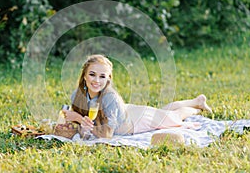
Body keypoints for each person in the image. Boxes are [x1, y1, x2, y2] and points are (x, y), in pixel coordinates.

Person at [62, 54, 212, 139]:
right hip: (127, 111)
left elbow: (107, 134)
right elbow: (83, 123)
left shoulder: (110, 97)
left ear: (108, 79)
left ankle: (196, 107)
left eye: (102, 76)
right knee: (164, 112)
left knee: (175, 117)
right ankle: (195, 100)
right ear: (84, 76)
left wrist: (78, 118)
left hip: (137, 121)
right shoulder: (77, 94)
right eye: (92, 74)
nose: (96, 80)